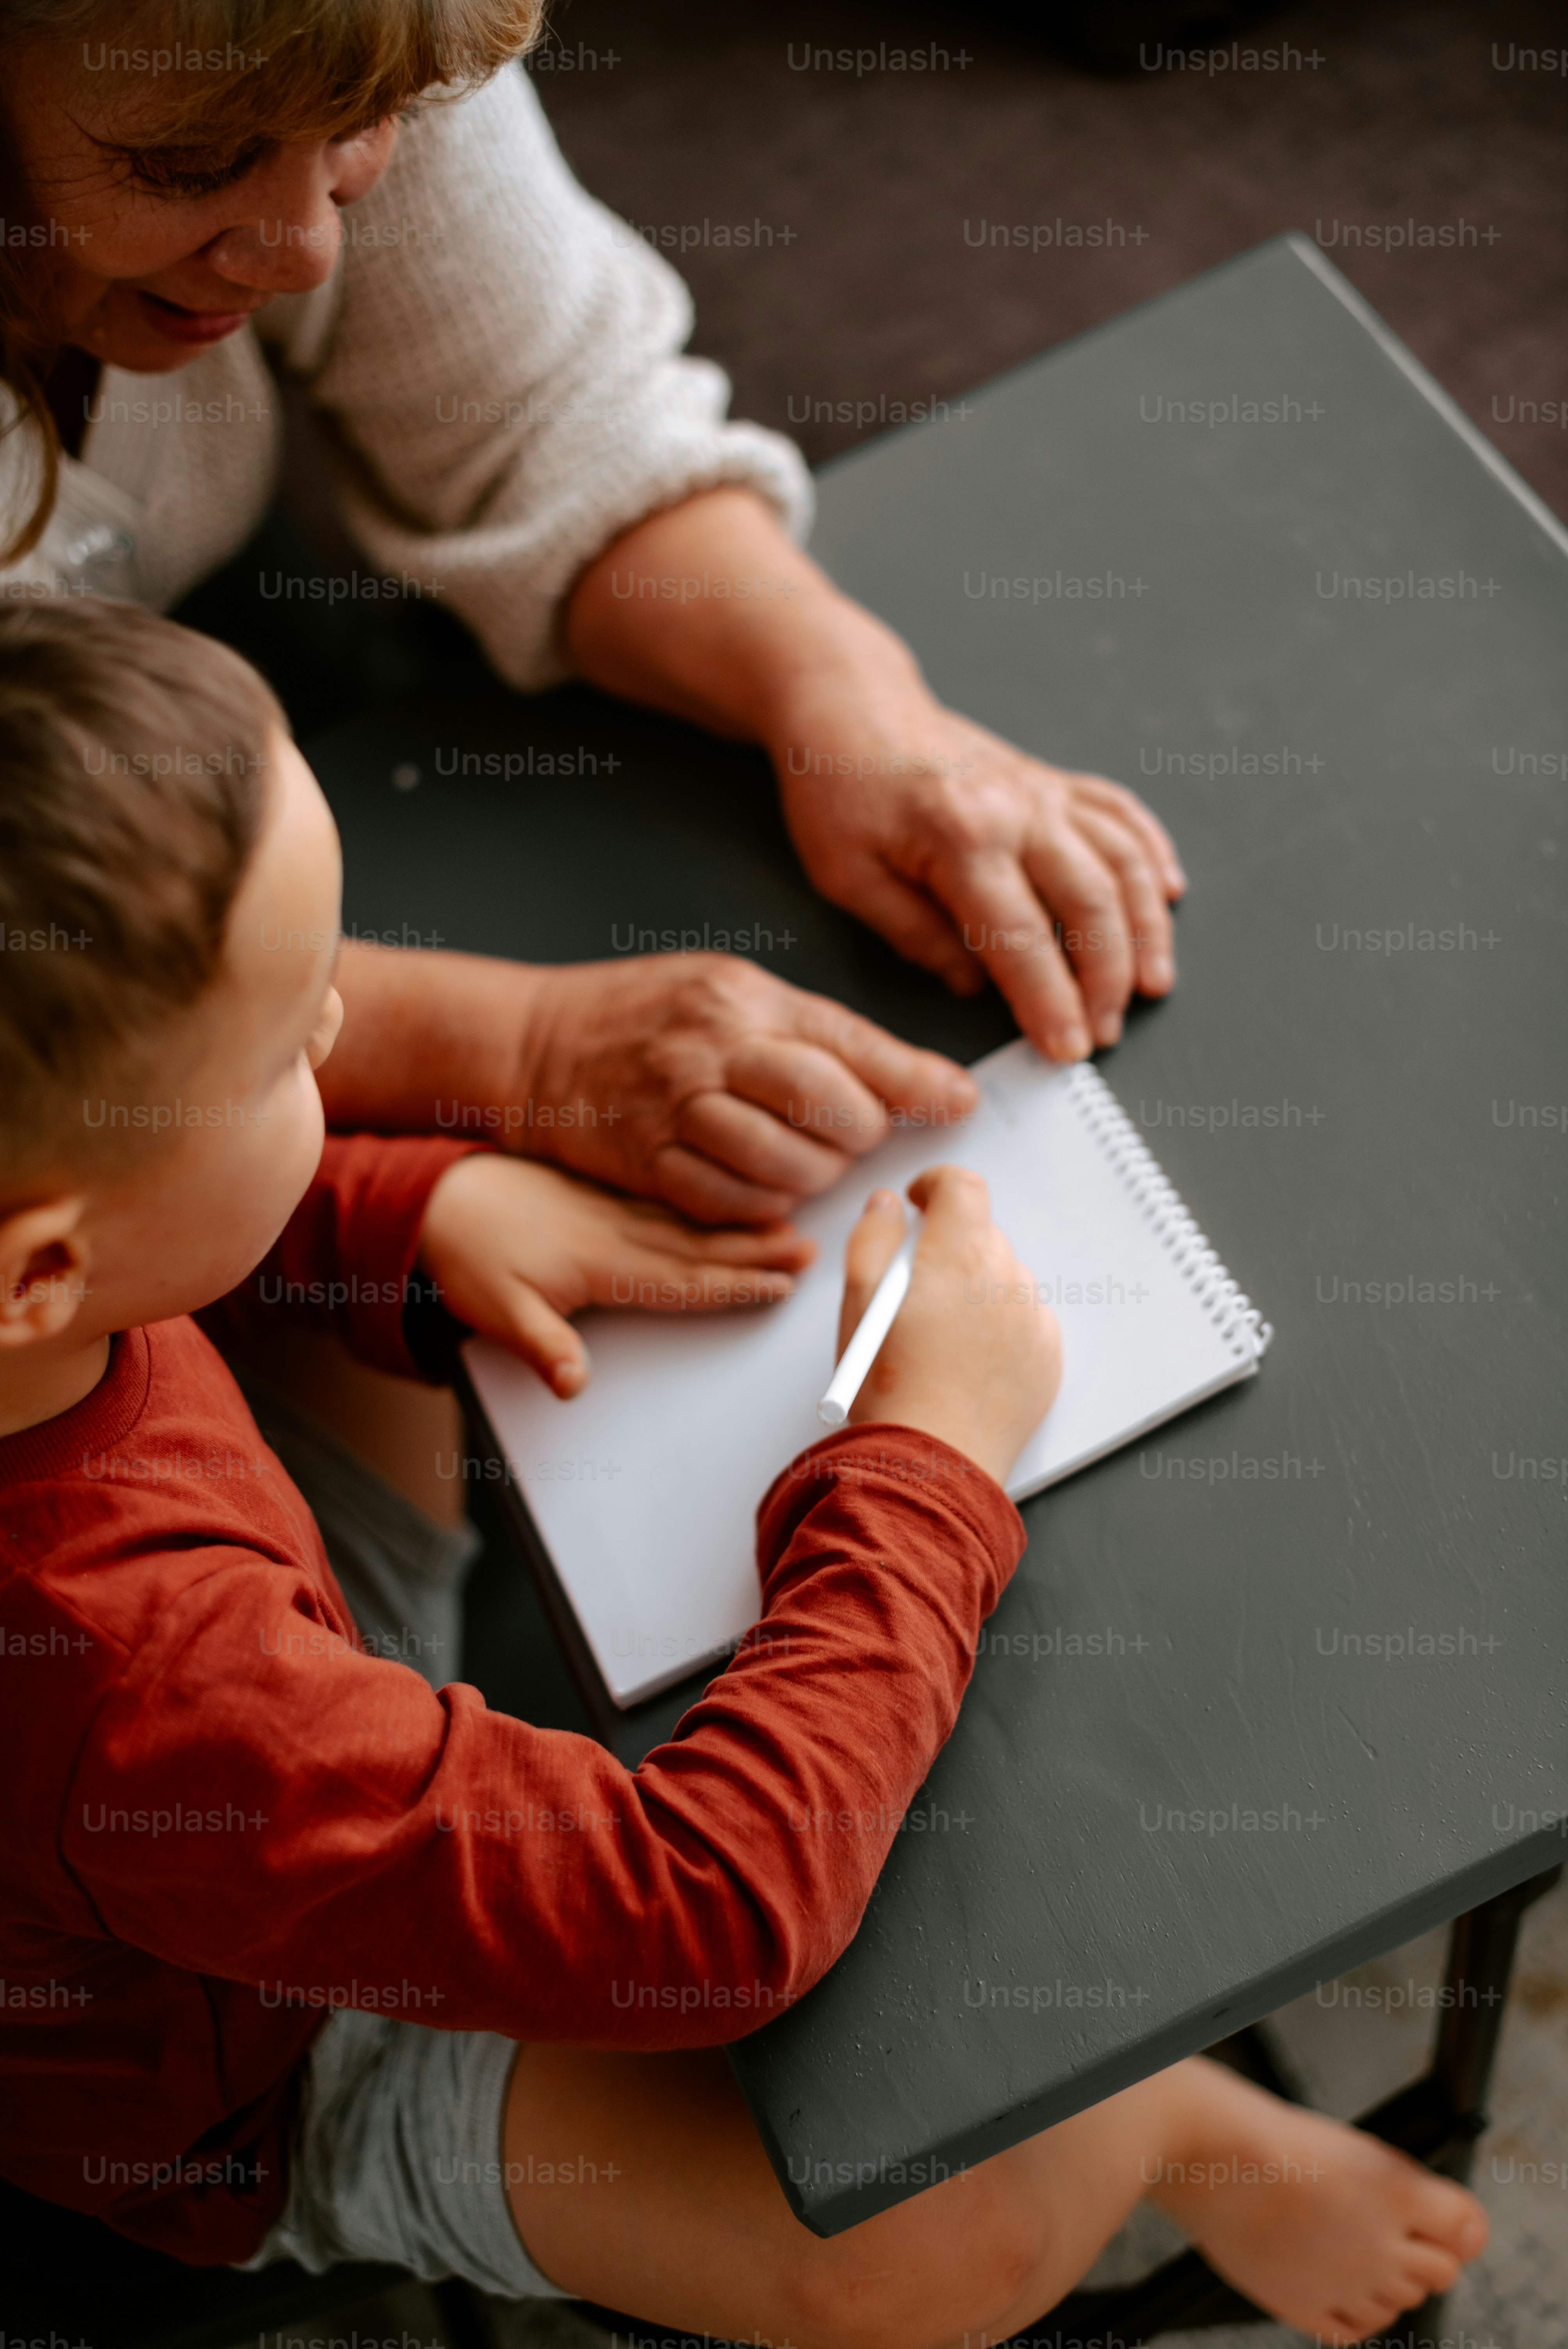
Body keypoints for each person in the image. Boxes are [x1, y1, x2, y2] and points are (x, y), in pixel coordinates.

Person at [0, 596, 1487, 2349]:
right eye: (285, 1048)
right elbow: (692, 1915)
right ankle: (1164, 2117)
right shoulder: (145, 1695)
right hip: (259, 2049)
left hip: (241, 1707)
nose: (343, 1026)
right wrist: (925, 1453)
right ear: (35, 1269)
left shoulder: (50, 1321)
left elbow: (164, 1264)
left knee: (422, 1254)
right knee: (923, 2261)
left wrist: (402, 1209)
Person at [0, 0, 1187, 1245]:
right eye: (194, 165)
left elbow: (536, 412)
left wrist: (846, 697)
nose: (308, 249)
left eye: (367, 126)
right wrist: (520, 1050)